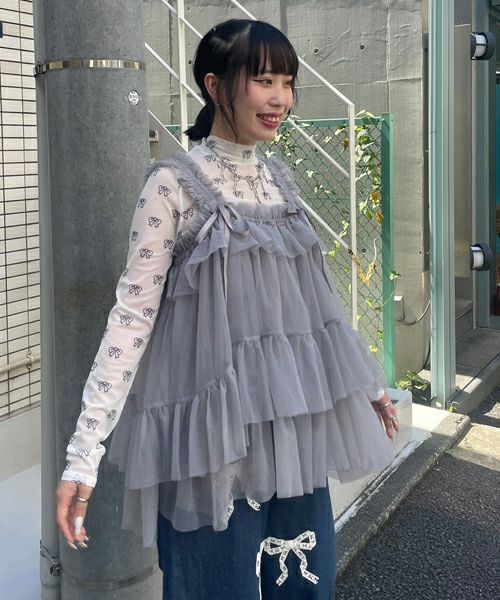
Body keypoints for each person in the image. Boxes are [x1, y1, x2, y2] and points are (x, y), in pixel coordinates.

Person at [56, 18, 399, 599]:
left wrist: (369, 384)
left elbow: (317, 306)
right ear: (215, 86)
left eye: (287, 83)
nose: (281, 99)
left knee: (302, 583)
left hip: (290, 432)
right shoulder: (172, 185)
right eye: (264, 81)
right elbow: (131, 318)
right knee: (215, 585)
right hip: (210, 445)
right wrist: (82, 456)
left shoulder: (280, 182)